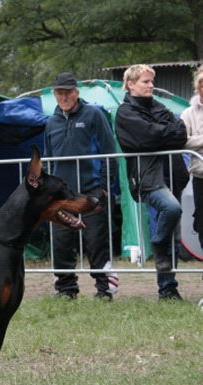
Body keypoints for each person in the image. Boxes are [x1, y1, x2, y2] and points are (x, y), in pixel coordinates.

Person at [115, 64, 188, 300]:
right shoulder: (125, 112)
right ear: (130, 84)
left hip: (172, 173)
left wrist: (158, 134)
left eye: (151, 81)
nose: (151, 86)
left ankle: (169, 289)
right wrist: (162, 133)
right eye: (145, 81)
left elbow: (181, 132)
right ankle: (158, 246)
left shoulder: (159, 106)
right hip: (147, 177)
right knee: (170, 210)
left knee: (173, 235)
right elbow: (145, 139)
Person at [43, 72, 118, 300]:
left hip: (90, 192)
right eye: (59, 93)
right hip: (62, 197)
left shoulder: (94, 114)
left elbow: (109, 151)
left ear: (76, 92)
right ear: (54, 95)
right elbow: (48, 159)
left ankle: (104, 289)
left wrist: (104, 187)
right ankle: (66, 289)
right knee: (61, 243)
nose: (64, 97)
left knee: (96, 242)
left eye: (67, 92)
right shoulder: (51, 122)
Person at [180, 66, 203, 251]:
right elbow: (182, 141)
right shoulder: (188, 113)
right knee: (201, 221)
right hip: (200, 175)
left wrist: (196, 141)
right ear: (198, 87)